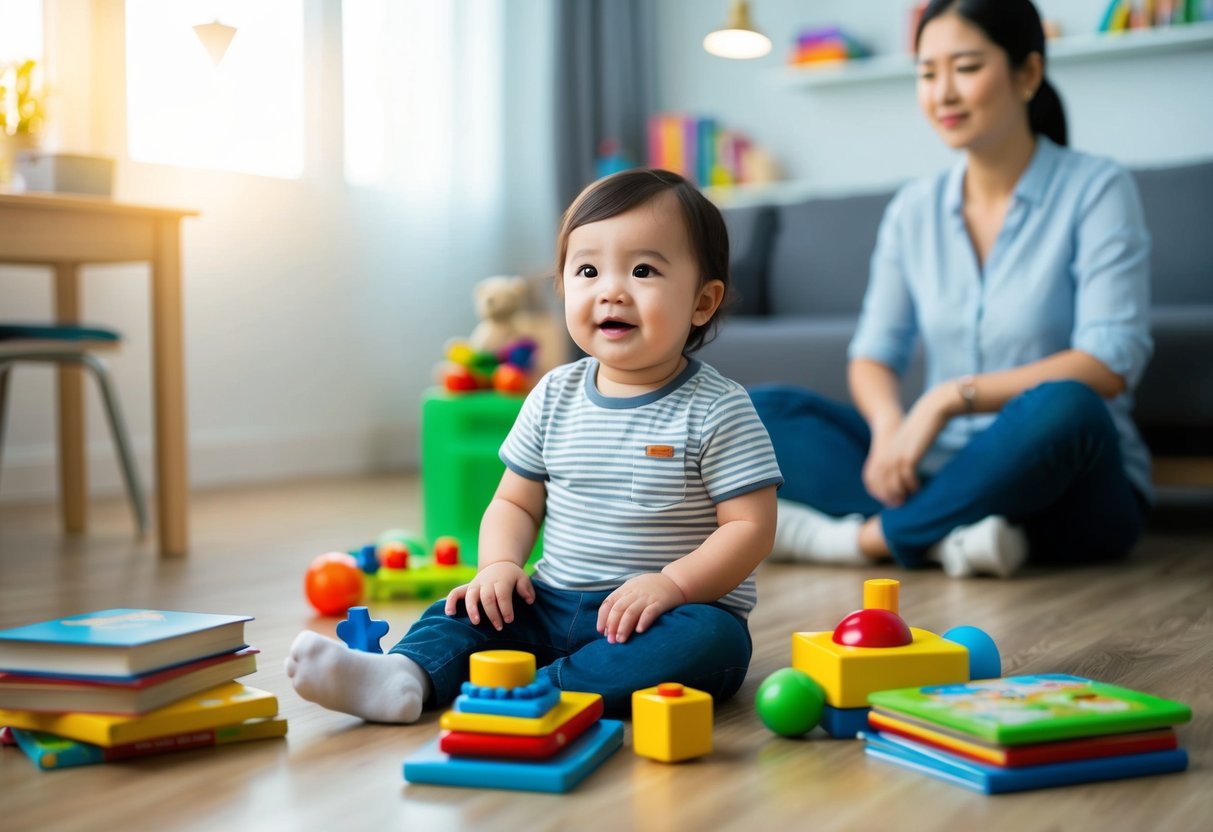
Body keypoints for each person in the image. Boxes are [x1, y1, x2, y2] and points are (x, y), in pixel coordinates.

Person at [286, 169, 782, 721]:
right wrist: (498, 565)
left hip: (666, 614)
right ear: (564, 289)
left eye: (643, 270)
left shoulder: (717, 406)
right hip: (547, 606)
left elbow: (750, 528)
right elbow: (515, 502)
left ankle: (543, 688)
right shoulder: (553, 395)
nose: (611, 290)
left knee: (712, 641)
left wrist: (673, 585)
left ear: (702, 302)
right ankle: (402, 675)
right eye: (588, 270)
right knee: (467, 608)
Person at [751, 0, 1152, 579]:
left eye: (965, 67)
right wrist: (892, 428)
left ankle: (870, 539)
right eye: (927, 72)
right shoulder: (913, 210)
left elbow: (1109, 363)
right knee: (761, 410)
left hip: (1066, 485)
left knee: (1067, 404)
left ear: (1028, 74)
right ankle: (954, 535)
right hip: (937, 469)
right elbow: (872, 356)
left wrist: (944, 400)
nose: (942, 93)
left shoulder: (1097, 189)